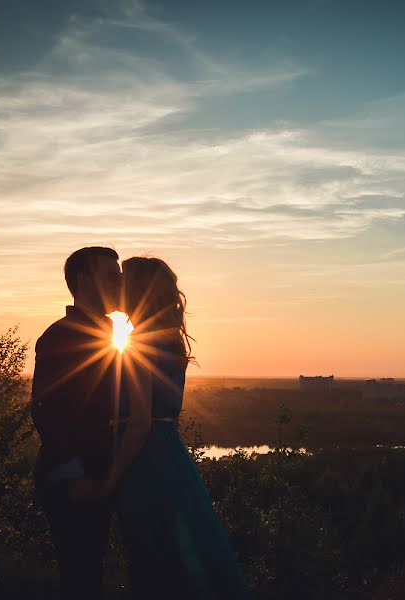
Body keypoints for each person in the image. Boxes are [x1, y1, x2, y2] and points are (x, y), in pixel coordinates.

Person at [103, 256, 254, 599]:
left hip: (146, 461)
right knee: (182, 551)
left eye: (124, 280)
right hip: (169, 453)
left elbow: (139, 422)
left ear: (139, 291)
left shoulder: (139, 344)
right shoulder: (168, 340)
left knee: (153, 554)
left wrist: (109, 479)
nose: (117, 285)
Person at [30, 246, 124, 599]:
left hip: (96, 474)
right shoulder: (61, 335)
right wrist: (76, 473)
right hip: (74, 480)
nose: (120, 284)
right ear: (83, 279)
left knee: (89, 572)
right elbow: (46, 408)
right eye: (112, 277)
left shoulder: (106, 333)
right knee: (80, 575)